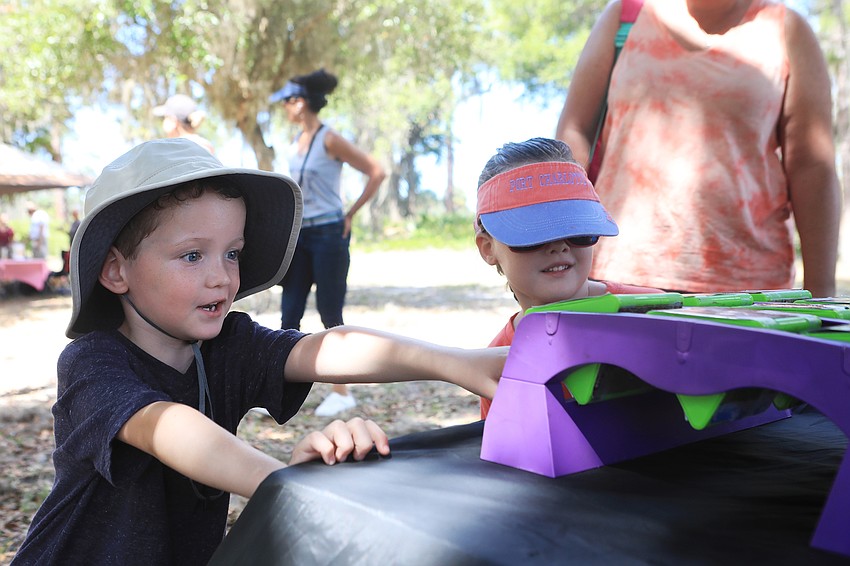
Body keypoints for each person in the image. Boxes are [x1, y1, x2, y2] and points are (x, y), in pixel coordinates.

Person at [11, 139, 505, 565]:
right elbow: (165, 426)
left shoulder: (225, 344)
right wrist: (287, 482)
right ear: (116, 272)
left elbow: (325, 348)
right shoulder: (92, 364)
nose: (221, 276)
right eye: (191, 255)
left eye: (232, 252)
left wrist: (456, 363)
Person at [556, 0, 840, 297]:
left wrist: (821, 291)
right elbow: (573, 136)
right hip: (618, 274)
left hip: (748, 289)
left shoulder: (786, 30)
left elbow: (811, 166)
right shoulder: (626, 16)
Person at [474, 137, 661, 418]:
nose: (559, 245)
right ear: (488, 249)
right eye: (533, 233)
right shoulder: (497, 360)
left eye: (577, 228)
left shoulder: (654, 313)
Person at [270, 68, 386, 417]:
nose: (285, 110)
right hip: (301, 235)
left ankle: (342, 392)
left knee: (330, 312)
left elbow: (376, 171)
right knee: (289, 311)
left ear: (300, 102)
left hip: (329, 235)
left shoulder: (329, 139)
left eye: (287, 103)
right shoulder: (295, 143)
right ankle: (276, 388)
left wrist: (350, 213)